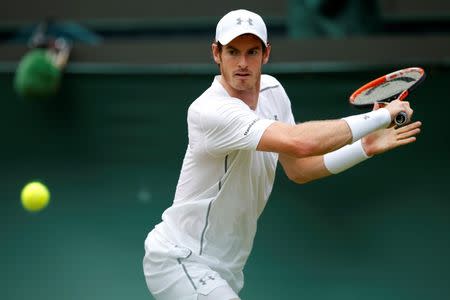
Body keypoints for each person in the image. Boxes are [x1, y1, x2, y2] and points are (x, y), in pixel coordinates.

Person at [142, 9, 422, 300]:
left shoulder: (273, 91)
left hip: (225, 270)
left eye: (252, 52)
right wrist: (381, 116)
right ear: (216, 53)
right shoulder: (210, 110)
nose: (242, 63)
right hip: (180, 259)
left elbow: (299, 168)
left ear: (266, 54)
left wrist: (364, 147)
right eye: (232, 52)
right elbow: (300, 142)